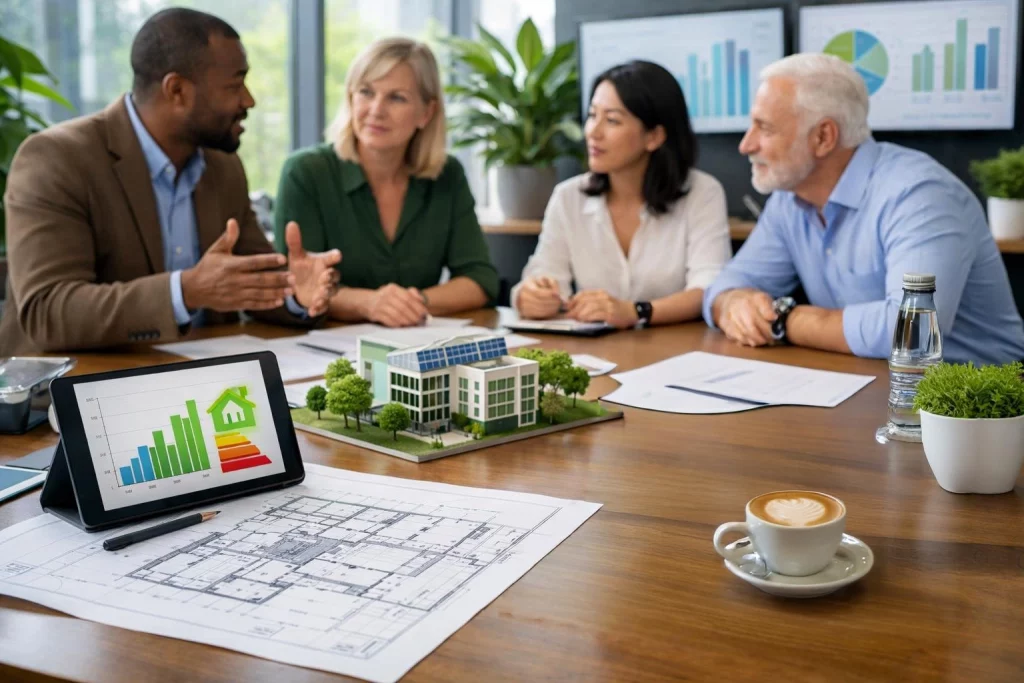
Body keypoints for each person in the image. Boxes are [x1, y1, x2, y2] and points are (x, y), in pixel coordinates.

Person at [0, 8, 340, 355]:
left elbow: (249, 284)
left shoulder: (223, 166)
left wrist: (295, 293)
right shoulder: (57, 158)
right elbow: (47, 311)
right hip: (77, 393)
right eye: (235, 85)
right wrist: (186, 291)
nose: (248, 100)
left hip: (201, 385)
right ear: (176, 90)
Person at [703, 54, 1024, 365]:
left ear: (823, 137)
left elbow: (914, 333)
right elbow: (725, 286)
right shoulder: (789, 199)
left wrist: (784, 319)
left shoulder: (919, 193)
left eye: (765, 128)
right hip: (870, 384)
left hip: (979, 401)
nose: (746, 145)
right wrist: (733, 303)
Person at [273, 38, 498, 328]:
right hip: (326, 352)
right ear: (351, 98)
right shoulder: (306, 172)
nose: (376, 110)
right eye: (366, 92)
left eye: (397, 98)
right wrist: (369, 303)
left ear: (426, 113)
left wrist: (412, 302)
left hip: (414, 346)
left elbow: (480, 279)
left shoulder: (447, 175)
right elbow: (297, 284)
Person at [511, 60, 731, 329]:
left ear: (654, 136)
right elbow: (543, 274)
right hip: (598, 354)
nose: (593, 131)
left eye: (612, 120)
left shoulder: (702, 193)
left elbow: (708, 289)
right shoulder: (568, 197)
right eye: (592, 115)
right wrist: (531, 297)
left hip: (678, 351)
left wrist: (635, 311)